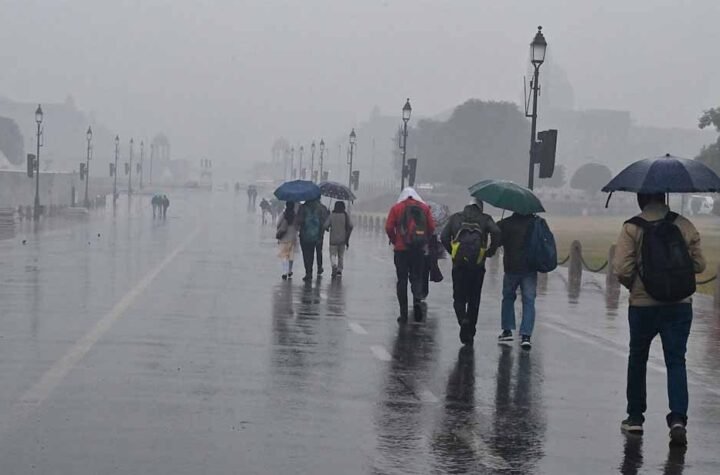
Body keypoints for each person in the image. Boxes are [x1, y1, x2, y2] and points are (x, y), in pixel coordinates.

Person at [613, 192, 705, 446]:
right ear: (664, 198)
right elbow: (699, 265)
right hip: (679, 304)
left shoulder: (632, 227)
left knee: (638, 358)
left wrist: (635, 286)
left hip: (643, 305)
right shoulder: (684, 224)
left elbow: (622, 268)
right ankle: (678, 418)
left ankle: (635, 417)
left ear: (641, 199)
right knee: (676, 360)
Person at [441, 199, 500, 345]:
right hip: (478, 265)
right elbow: (496, 232)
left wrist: (453, 252)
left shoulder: (456, 218)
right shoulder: (485, 218)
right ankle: (471, 330)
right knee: (474, 298)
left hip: (459, 264)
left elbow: (443, 237)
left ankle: (463, 320)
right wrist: (490, 251)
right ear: (480, 207)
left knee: (458, 297)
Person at [386, 187, 435, 323]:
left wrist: (395, 240)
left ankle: (403, 314)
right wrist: (423, 240)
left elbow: (389, 227)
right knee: (417, 277)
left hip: (401, 250)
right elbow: (431, 227)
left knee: (402, 280)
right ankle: (417, 301)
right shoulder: (424, 208)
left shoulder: (396, 208)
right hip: (418, 250)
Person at [497, 211, 538, 349]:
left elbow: (498, 242)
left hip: (511, 267)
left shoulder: (506, 224)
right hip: (530, 267)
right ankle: (526, 335)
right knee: (529, 301)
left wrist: (500, 225)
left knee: (508, 298)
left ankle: (507, 329)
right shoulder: (535, 223)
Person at [296, 198, 326, 282]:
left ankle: (308, 272)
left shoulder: (303, 207)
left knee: (306, 254)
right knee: (312, 253)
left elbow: (299, 221)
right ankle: (314, 269)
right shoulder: (321, 208)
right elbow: (323, 223)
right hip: (316, 235)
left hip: (304, 235)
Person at [325, 201, 353, 277]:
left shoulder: (331, 215)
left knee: (332, 254)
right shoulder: (345, 215)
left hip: (333, 239)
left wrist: (327, 216)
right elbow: (351, 226)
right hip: (342, 239)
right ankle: (339, 270)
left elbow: (325, 226)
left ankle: (334, 265)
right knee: (341, 256)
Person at [276, 201, 299, 280]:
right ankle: (290, 270)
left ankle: (285, 272)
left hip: (284, 237)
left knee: (284, 255)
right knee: (291, 255)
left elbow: (278, 224)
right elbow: (298, 227)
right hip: (293, 238)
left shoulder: (283, 214)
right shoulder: (295, 216)